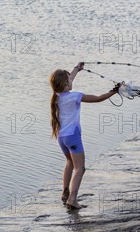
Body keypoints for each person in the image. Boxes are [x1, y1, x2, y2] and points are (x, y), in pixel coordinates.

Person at [50, 63, 120, 209]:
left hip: (62, 138)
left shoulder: (56, 96)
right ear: (65, 84)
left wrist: (76, 69)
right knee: (80, 169)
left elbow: (68, 81)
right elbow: (98, 98)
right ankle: (72, 199)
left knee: (69, 162)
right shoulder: (75, 96)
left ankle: (65, 193)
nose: (71, 81)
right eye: (69, 80)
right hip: (73, 137)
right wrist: (115, 91)